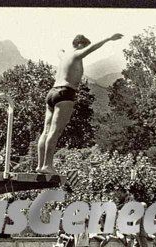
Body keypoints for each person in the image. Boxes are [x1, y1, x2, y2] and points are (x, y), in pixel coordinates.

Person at [35, 33, 123, 175]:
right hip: (65, 93)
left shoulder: (64, 56)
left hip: (52, 93)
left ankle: (40, 165)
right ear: (80, 44)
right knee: (54, 131)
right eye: (84, 46)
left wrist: (64, 51)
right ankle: (47, 165)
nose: (85, 50)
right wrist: (108, 38)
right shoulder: (76, 55)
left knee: (46, 131)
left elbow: (59, 51)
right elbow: (93, 48)